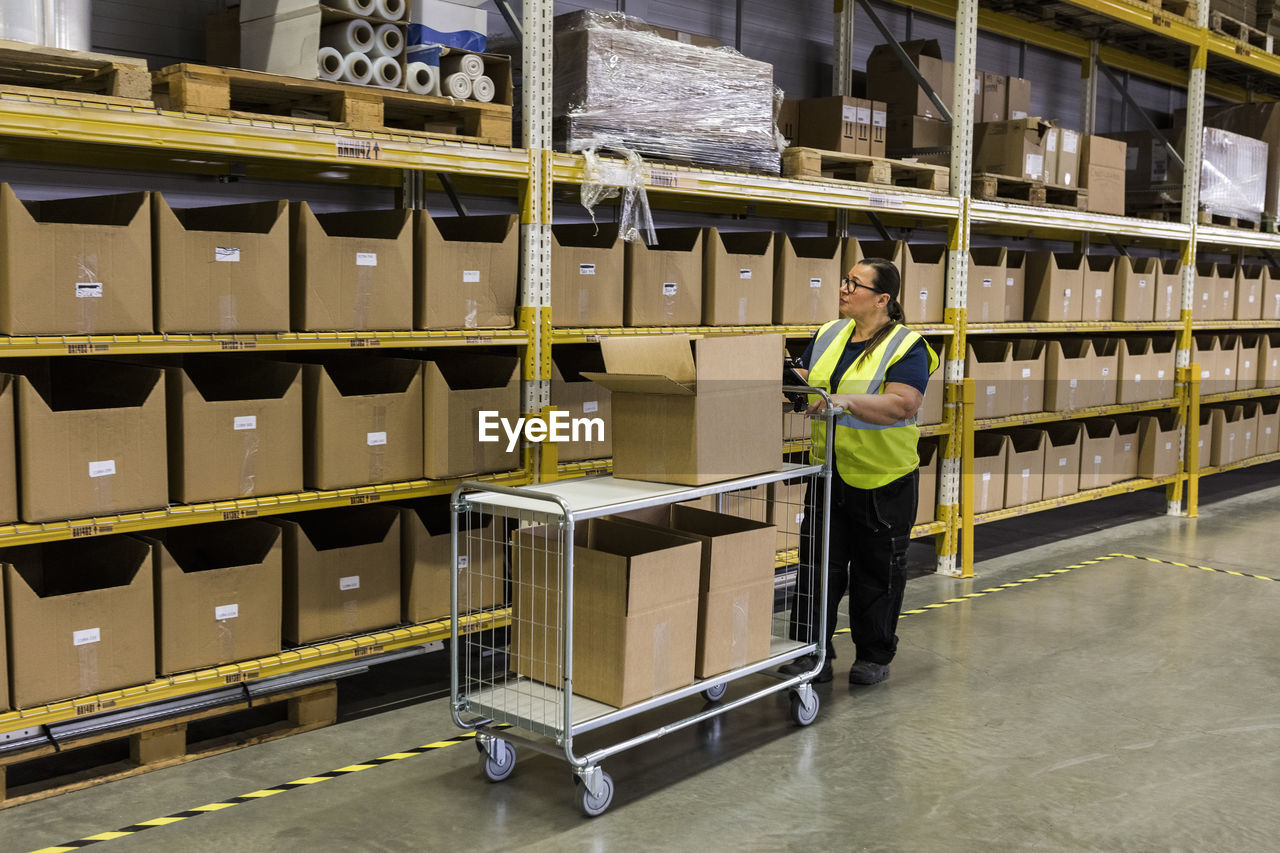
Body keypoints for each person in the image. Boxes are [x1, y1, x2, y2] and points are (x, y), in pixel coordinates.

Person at [780, 256, 938, 685]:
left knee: (877, 571)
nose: (844, 289)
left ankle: (874, 655)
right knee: (818, 565)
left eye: (855, 284)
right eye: (845, 280)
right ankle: (812, 653)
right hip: (829, 473)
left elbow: (902, 403)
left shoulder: (908, 346)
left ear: (882, 299)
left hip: (883, 478)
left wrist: (844, 400)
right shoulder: (832, 332)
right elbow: (811, 375)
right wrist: (784, 377)